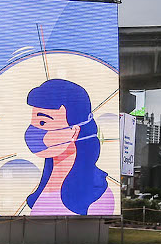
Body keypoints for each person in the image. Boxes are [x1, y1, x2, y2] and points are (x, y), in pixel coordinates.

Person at [24, 79, 114, 215]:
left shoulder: (98, 196)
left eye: (42, 122)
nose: (33, 132)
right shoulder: (45, 186)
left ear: (74, 131)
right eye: (33, 122)